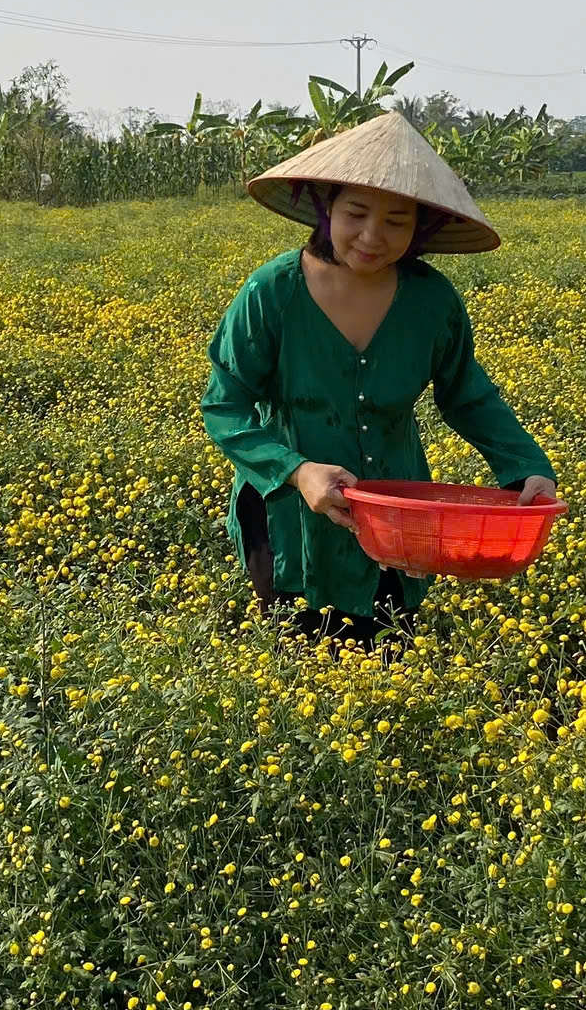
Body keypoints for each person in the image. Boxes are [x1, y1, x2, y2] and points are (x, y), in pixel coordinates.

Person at [201, 110, 557, 644]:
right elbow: (225, 406)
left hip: (398, 515)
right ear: (326, 209)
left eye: (397, 220)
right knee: (299, 660)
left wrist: (525, 467)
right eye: (357, 212)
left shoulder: (431, 301)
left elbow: (468, 395)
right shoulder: (272, 292)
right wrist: (298, 472)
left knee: (390, 651)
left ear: (421, 227)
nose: (373, 235)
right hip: (288, 517)